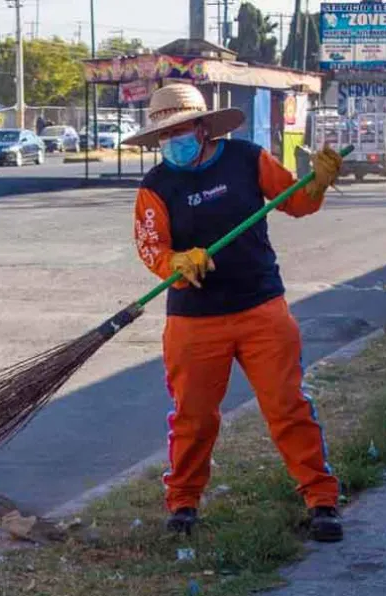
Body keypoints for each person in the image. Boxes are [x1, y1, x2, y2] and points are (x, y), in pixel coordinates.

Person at [127, 83, 346, 542]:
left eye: (180, 130)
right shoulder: (155, 186)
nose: (172, 142)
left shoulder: (248, 160)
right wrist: (174, 263)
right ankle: (183, 504)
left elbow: (297, 202)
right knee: (193, 417)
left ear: (203, 127)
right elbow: (151, 246)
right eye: (164, 135)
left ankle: (321, 499)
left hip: (261, 308)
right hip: (193, 320)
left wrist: (319, 182)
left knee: (287, 406)